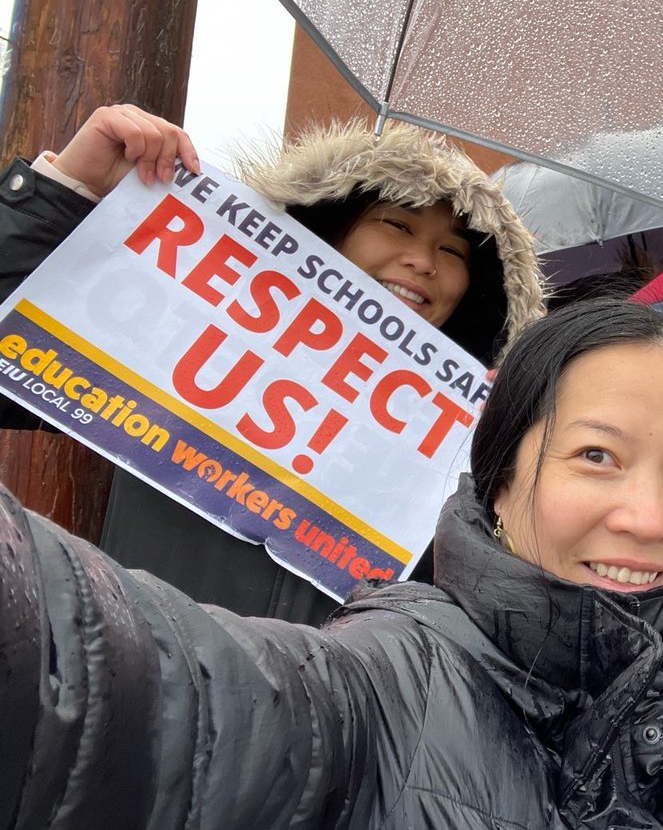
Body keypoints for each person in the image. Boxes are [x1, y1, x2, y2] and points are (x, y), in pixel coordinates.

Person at [0, 299, 663, 827]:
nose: (649, 517)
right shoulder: (373, 687)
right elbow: (89, 677)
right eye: (597, 457)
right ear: (501, 474)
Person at [0, 104, 543, 624]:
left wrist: (501, 447)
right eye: (397, 225)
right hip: (134, 681)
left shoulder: (478, 439)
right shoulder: (187, 334)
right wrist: (63, 190)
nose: (423, 262)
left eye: (453, 253)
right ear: (331, 233)